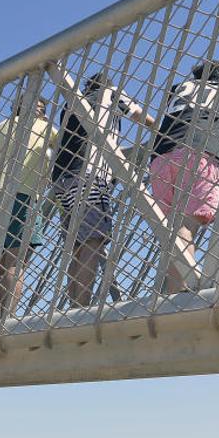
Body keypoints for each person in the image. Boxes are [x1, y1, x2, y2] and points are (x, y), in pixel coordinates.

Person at [51, 73, 154, 307]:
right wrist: (161, 128)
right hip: (89, 173)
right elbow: (137, 114)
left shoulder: (73, 102)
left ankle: (74, 307)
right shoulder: (110, 92)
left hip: (61, 177)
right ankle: (83, 308)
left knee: (76, 245)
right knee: (93, 241)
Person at [149, 61, 219, 292]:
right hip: (200, 151)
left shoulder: (179, 89)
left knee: (172, 226)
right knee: (185, 224)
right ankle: (182, 290)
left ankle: (175, 287)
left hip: (160, 156)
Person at [0, 96, 57, 319]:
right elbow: (68, 144)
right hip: (22, 194)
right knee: (16, 262)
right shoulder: (45, 126)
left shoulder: (0, 126)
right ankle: (7, 319)